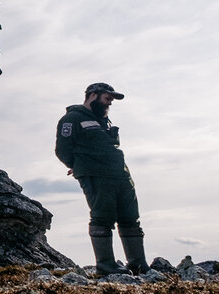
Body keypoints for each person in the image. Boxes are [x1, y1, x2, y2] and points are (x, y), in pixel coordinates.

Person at [55, 82, 150, 276]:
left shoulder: (104, 121)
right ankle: (106, 264)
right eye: (107, 99)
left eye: (111, 100)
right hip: (96, 176)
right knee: (102, 216)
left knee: (130, 217)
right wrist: (80, 166)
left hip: (120, 175)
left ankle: (138, 264)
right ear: (92, 96)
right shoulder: (72, 118)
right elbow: (62, 149)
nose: (110, 103)